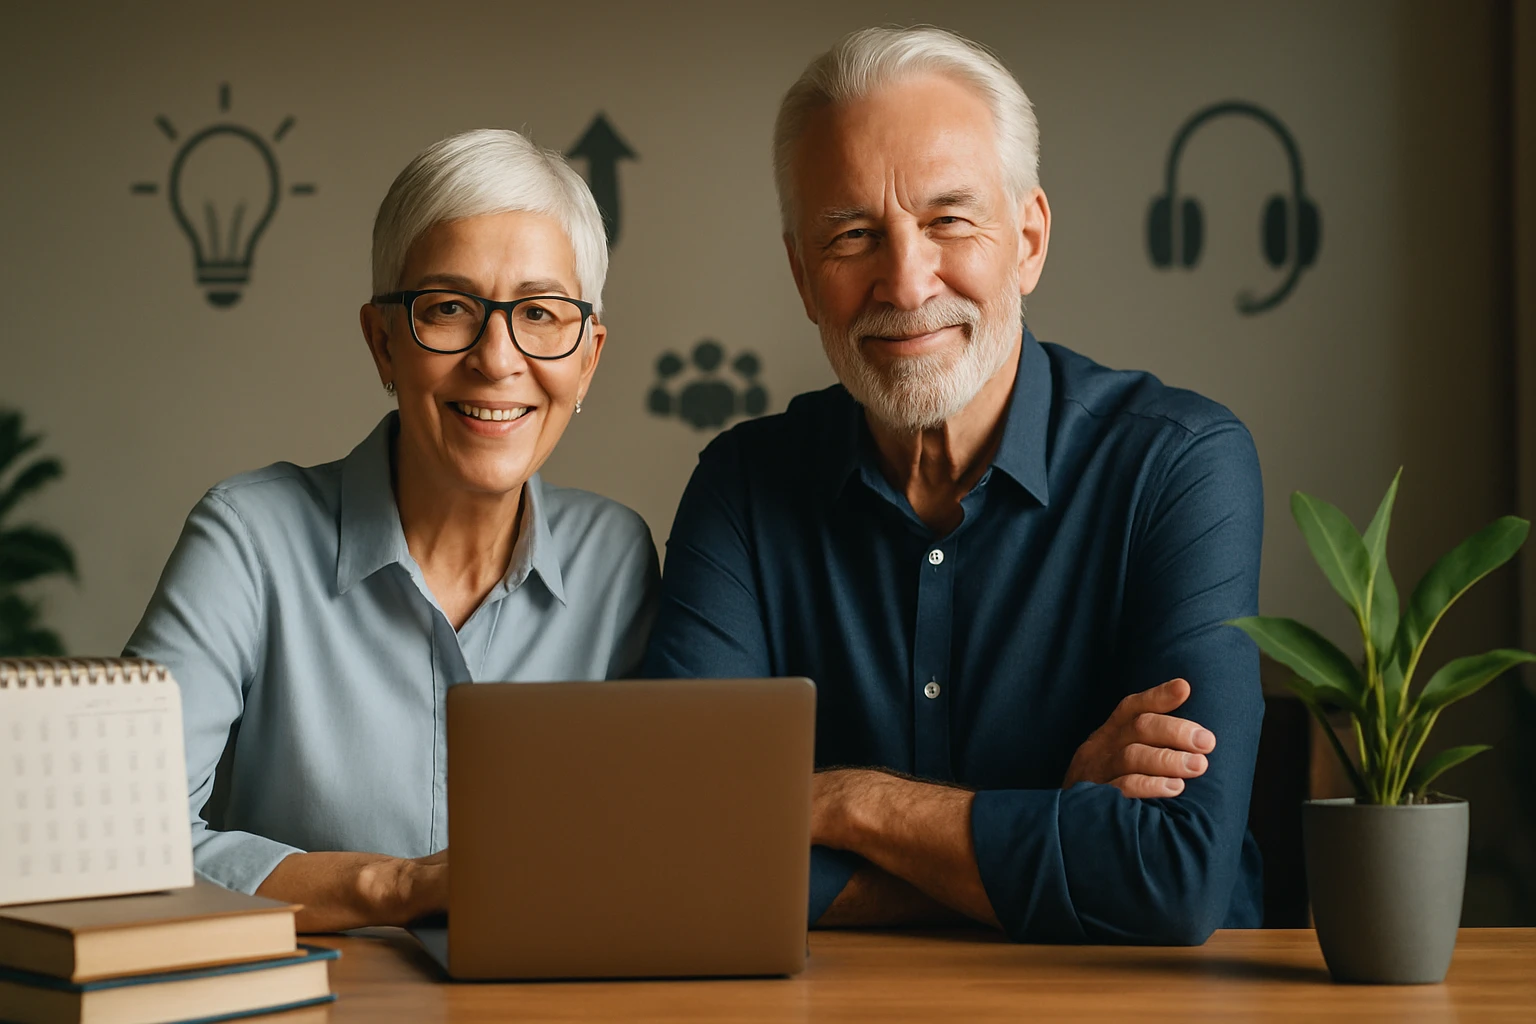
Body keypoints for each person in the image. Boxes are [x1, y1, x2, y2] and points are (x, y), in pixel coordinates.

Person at [643, 26, 1264, 944]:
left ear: (1029, 240)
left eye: (948, 220)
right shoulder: (742, 486)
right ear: (804, 278)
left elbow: (1171, 872)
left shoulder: (1178, 464)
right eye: (852, 234)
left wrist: (850, 806)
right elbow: (679, 852)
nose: (905, 279)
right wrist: (1048, 831)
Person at [127, 129, 658, 932]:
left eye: (541, 314)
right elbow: (125, 843)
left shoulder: (618, 559)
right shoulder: (246, 540)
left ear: (587, 359)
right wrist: (388, 887)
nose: (496, 358)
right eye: (449, 309)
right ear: (383, 342)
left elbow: (656, 847)